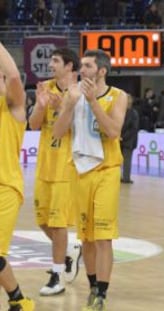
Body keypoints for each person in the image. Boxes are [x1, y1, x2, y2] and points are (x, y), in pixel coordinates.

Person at [53, 49, 128, 310]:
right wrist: (71, 104)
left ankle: (102, 293)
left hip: (106, 170)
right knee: (87, 238)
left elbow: (113, 131)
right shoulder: (71, 95)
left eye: (87, 66)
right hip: (80, 171)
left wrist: (93, 101)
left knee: (104, 236)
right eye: (81, 66)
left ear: (102, 71)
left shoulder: (119, 96)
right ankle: (93, 285)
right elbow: (57, 132)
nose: (81, 70)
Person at [29, 47, 82, 296]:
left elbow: (80, 127)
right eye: (51, 60)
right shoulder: (45, 87)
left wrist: (64, 106)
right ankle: (69, 251)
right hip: (45, 164)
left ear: (69, 66)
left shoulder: (80, 91)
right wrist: (40, 106)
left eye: (56, 61)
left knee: (58, 222)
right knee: (42, 221)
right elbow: (33, 124)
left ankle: (57, 275)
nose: (51, 64)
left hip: (66, 166)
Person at [0, 41, 35, 310]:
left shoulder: (14, 108)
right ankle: (18, 300)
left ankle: (18, 299)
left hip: (6, 189)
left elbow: (13, 75)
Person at [120, 94, 139, 183]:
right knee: (118, 160)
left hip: (129, 141)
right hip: (119, 140)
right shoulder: (120, 112)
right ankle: (120, 176)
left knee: (127, 160)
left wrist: (123, 137)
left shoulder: (133, 114)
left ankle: (126, 178)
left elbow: (133, 128)